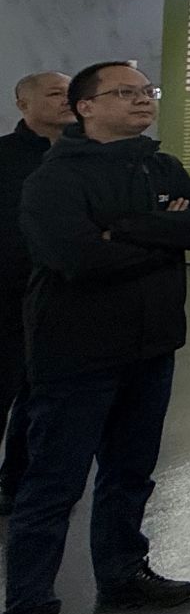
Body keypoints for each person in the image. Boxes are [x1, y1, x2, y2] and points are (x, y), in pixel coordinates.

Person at [3, 61, 190, 614]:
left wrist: (119, 231)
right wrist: (161, 235)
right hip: (76, 353)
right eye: (125, 93)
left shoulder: (161, 166)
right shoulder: (53, 177)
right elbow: (75, 258)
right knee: (53, 486)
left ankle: (122, 574)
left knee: (130, 473)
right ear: (85, 107)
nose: (142, 100)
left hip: (151, 347)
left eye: (147, 91)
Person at [0, 71, 71, 519]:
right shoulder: (5, 157)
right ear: (23, 103)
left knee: (41, 400)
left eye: (70, 92)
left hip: (63, 299)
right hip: (7, 296)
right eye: (54, 93)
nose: (66, 99)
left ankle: (17, 485)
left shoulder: (87, 156)